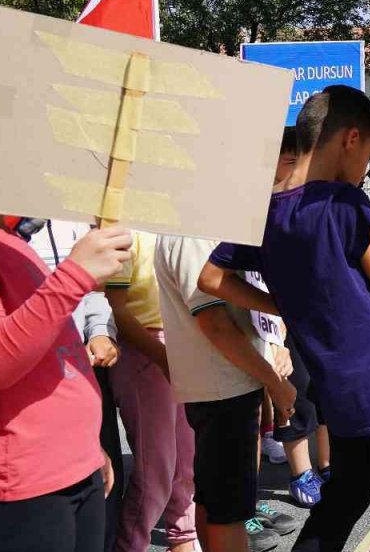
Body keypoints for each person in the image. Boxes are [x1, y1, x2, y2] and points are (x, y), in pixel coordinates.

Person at [200, 85, 370, 551]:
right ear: (350, 138)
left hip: (340, 395)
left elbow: (211, 278)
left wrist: (284, 303)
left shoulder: (264, 212)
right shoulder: (342, 203)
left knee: (342, 502)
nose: (366, 167)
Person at [0, 215, 128, 552]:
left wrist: (86, 443)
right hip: (22, 485)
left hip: (76, 466)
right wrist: (76, 272)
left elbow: (54, 353)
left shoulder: (9, 240)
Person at [155, 228, 299, 552]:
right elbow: (214, 323)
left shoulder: (203, 224)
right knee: (228, 512)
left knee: (215, 500)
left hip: (225, 384)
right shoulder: (192, 232)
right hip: (222, 387)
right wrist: (274, 383)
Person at [27, 220, 125, 552]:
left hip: (85, 377)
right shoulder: (3, 235)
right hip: (36, 391)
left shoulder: (74, 217)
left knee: (104, 495)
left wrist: (100, 330)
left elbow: (93, 292)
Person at [105, 231, 198, 552]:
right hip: (143, 352)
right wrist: (163, 358)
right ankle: (130, 545)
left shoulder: (179, 227)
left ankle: (183, 537)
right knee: (155, 471)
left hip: (181, 348)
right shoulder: (124, 230)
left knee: (186, 461)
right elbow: (117, 311)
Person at [261, 127, 332, 510]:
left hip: (315, 312)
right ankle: (300, 470)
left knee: (324, 389)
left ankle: (327, 463)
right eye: (288, 159)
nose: (295, 167)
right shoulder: (258, 210)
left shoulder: (311, 201)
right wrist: (275, 330)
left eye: (299, 159)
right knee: (296, 391)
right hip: (276, 319)